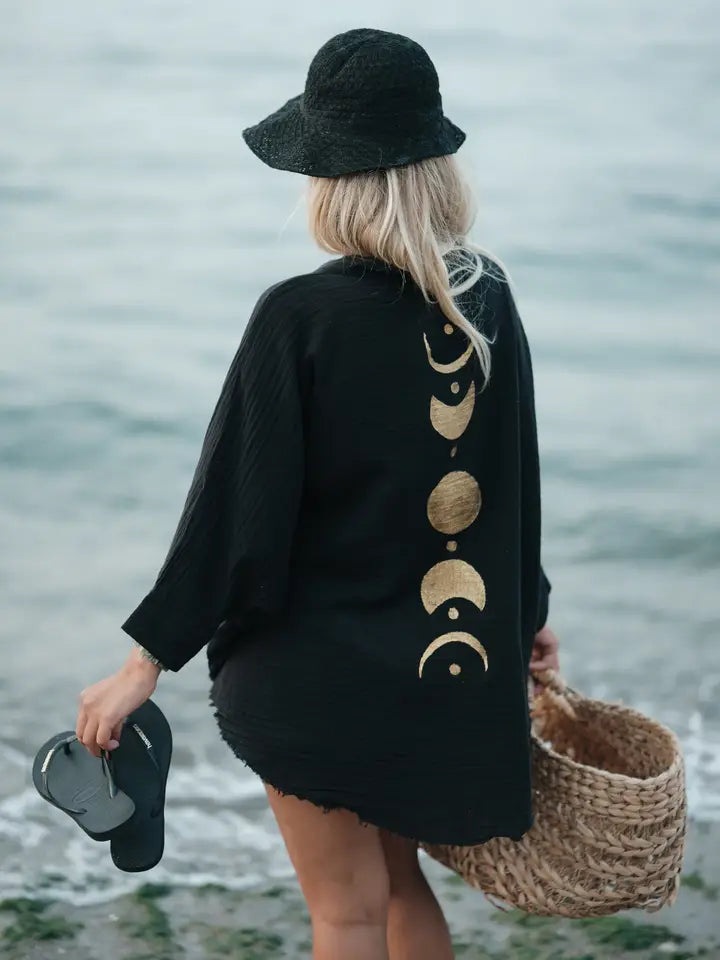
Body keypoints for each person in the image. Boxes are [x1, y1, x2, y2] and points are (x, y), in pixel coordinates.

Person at [75, 27, 560, 960]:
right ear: (435, 169)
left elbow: (235, 517)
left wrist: (144, 664)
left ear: (331, 180)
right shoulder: (484, 296)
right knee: (401, 886)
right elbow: (510, 476)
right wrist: (526, 610)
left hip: (322, 682)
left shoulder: (298, 316)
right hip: (441, 662)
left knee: (345, 912)